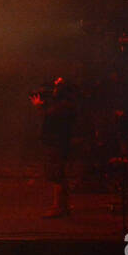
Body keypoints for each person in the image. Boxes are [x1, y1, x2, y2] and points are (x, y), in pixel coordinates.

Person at [30, 77, 77, 218]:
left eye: (57, 88)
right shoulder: (64, 105)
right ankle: (62, 206)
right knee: (58, 175)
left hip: (56, 144)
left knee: (57, 176)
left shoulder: (62, 107)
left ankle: (60, 208)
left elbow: (48, 122)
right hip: (57, 143)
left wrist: (39, 107)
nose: (54, 91)